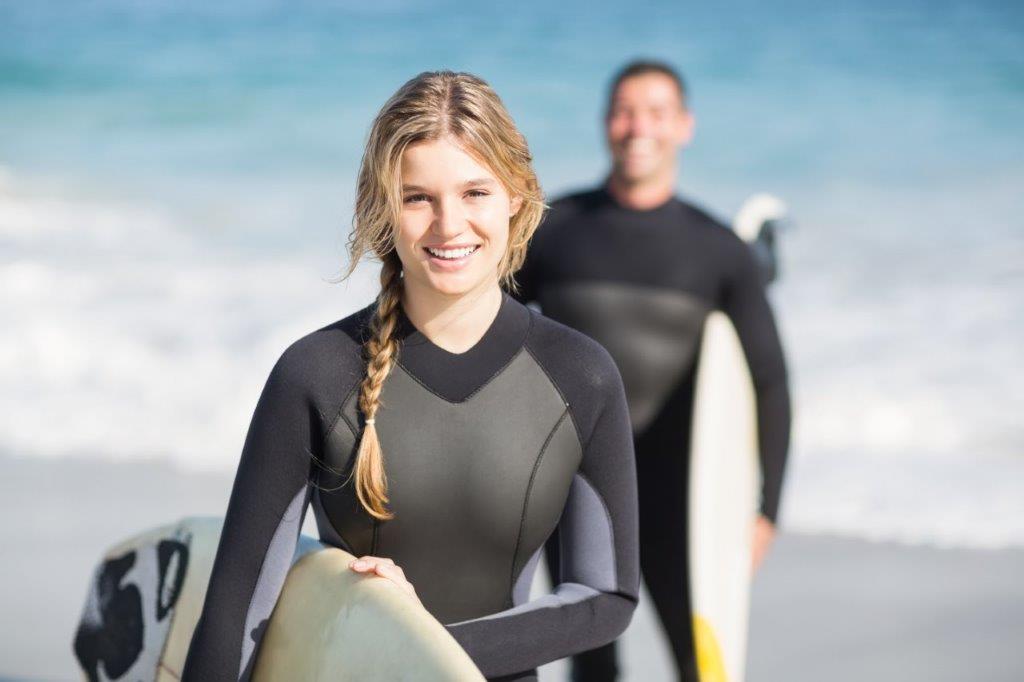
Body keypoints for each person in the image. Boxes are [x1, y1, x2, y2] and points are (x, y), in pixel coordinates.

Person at [181, 71, 639, 682]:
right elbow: (236, 611)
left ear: (517, 199)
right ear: (383, 211)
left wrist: (411, 647)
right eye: (417, 197)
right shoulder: (317, 373)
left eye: (475, 192)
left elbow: (605, 598)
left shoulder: (581, 376)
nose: (449, 225)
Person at [514, 60, 792, 681]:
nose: (638, 127)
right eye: (624, 110)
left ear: (684, 126)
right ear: (605, 122)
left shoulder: (719, 251)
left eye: (656, 113)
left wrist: (766, 508)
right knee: (593, 667)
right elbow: (486, 335)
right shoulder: (551, 231)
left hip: (681, 495)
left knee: (701, 662)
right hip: (576, 488)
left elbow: (769, 381)